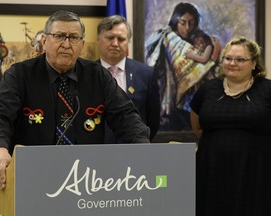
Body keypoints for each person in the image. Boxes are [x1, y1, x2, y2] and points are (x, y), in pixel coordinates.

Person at [0, 10, 150, 190]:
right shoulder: (19, 75)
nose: (66, 44)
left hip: (87, 181)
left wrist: (144, 150)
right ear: (45, 41)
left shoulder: (98, 76)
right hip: (32, 178)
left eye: (73, 38)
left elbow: (126, 116)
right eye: (60, 36)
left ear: (82, 44)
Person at [190, 36, 271, 215]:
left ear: (254, 63)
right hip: (211, 170)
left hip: (256, 171)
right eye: (228, 58)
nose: (232, 63)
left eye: (240, 59)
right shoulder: (208, 89)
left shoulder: (267, 89)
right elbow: (197, 125)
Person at [96, 15, 160, 142]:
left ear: (128, 42)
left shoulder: (146, 74)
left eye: (121, 39)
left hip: (134, 152)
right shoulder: (86, 74)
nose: (115, 43)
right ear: (98, 39)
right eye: (110, 38)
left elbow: (153, 121)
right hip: (96, 154)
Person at [145, 2, 205, 131]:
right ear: (175, 21)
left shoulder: (198, 39)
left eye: (191, 23)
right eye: (182, 22)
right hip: (169, 96)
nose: (187, 27)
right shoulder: (170, 38)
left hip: (190, 103)